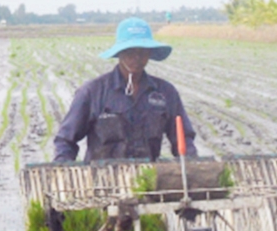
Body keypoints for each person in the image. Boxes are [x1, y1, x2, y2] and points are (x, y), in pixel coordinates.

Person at [54, 18, 197, 162]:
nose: (137, 57)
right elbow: (65, 141)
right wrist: (62, 171)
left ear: (149, 53)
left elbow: (183, 139)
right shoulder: (92, 92)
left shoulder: (165, 92)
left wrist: (190, 166)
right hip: (102, 179)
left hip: (147, 178)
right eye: (130, 51)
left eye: (142, 51)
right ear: (119, 53)